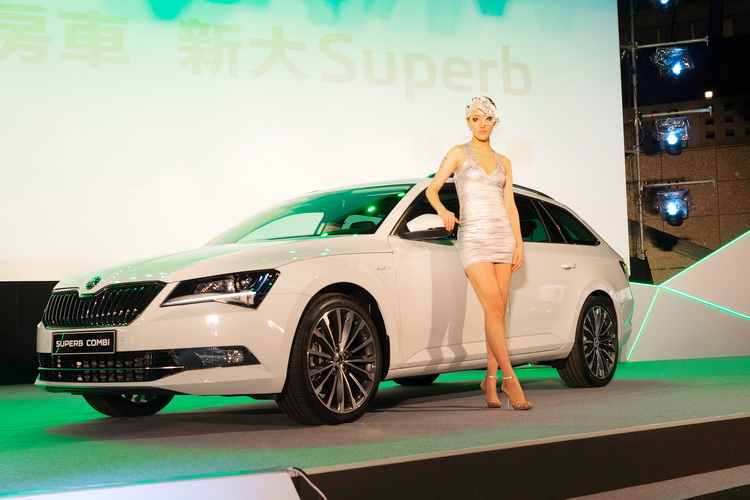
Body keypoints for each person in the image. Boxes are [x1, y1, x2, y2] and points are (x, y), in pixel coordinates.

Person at [425, 95, 533, 410]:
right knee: (494, 308)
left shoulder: (504, 161)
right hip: (473, 236)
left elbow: (510, 204)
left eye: (487, 119)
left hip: (503, 237)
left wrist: (519, 242)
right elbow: (432, 189)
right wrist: (443, 211)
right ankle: (510, 379)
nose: (481, 124)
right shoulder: (458, 153)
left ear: (495, 122)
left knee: (497, 313)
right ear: (468, 122)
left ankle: (489, 380)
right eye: (475, 119)